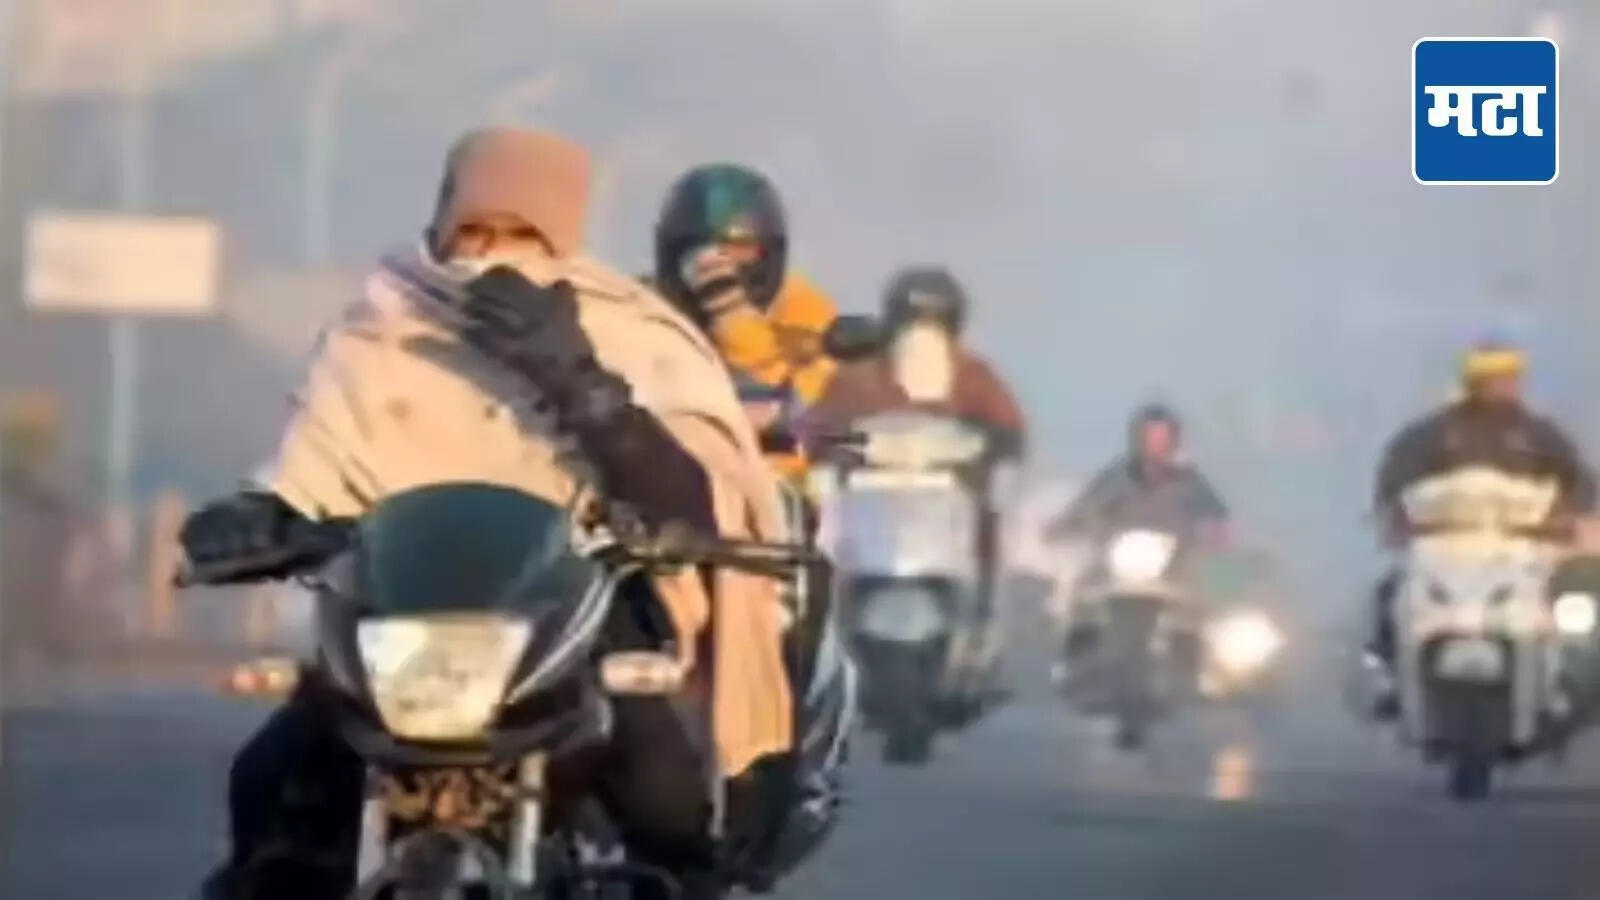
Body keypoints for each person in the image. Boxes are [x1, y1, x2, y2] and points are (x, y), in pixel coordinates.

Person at [181, 127, 839, 899]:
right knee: (267, 789)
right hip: (397, 631)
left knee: (672, 812)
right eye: (475, 231)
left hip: (575, 619)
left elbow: (699, 499)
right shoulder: (378, 331)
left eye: (522, 234)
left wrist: (580, 380)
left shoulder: (632, 333)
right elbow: (312, 468)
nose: (492, 253)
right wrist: (257, 516)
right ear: (440, 226)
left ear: (562, 238)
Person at [1362, 340, 1596, 713]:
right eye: (1491, 378)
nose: (1501, 386)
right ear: (1471, 382)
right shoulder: (1433, 434)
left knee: (1573, 602)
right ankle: (1387, 675)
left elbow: (1580, 482)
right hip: (1446, 548)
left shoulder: (1540, 435)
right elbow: (1394, 477)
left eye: (1507, 378)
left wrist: (1570, 516)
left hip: (1522, 551)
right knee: (1391, 594)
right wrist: (1393, 515)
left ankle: (1565, 677)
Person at [651, 163, 839, 484]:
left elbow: (812, 405)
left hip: (779, 489)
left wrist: (734, 320)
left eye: (738, 249)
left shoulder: (805, 312)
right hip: (664, 484)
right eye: (700, 250)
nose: (717, 264)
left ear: (768, 253)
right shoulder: (640, 312)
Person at [1044, 403, 1229, 548]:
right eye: (1152, 438)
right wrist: (1064, 527)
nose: (1158, 445)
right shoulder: (1120, 475)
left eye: (1164, 438)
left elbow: (1217, 516)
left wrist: (1214, 533)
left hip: (1174, 563)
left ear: (1174, 440)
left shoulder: (1188, 480)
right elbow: (1088, 505)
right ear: (1139, 439)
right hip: (1118, 559)